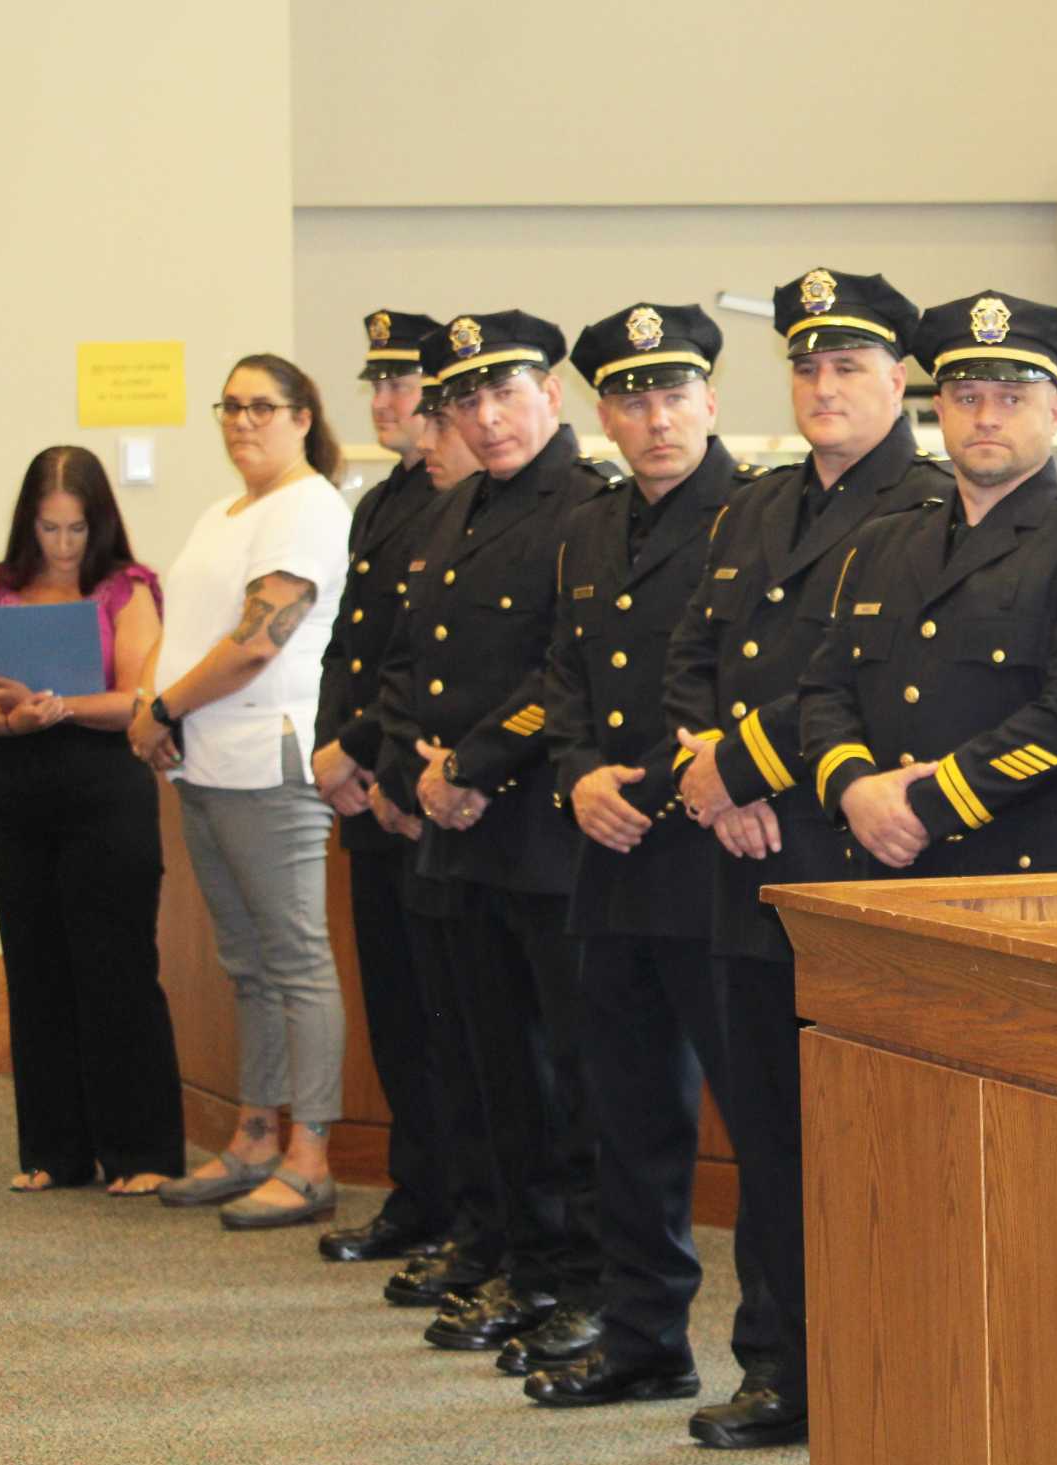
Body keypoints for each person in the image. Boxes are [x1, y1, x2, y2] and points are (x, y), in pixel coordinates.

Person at [667, 268, 949, 1450]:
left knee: (859, 1146)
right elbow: (689, 655)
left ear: (898, 381)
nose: (824, 387)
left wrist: (741, 770)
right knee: (767, 1137)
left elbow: (869, 687)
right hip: (741, 867)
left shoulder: (931, 506)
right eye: (807, 366)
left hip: (849, 868)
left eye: (848, 367)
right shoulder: (755, 506)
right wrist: (705, 771)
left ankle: (866, 1363)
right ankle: (775, 1364)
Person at [523, 302, 775, 1408]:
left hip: (714, 861)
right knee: (626, 1122)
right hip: (610, 861)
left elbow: (749, 688)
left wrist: (661, 789)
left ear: (711, 401)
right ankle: (641, 1339)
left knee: (756, 1130)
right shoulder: (589, 527)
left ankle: (772, 1359)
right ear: (601, 415)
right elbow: (562, 681)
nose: (655, 417)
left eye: (673, 393)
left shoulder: (758, 516)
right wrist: (575, 773)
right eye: (629, 397)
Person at [371, 310, 607, 1357]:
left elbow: (564, 667)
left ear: (551, 396)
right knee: (486, 1066)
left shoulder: (586, 508)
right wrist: (411, 770)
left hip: (536, 833)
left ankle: (570, 1274)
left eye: (505, 393)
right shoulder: (452, 508)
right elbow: (409, 661)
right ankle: (511, 1250)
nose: (486, 415)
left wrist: (468, 768)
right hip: (454, 829)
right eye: (466, 398)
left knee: (564, 1076)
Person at [801, 289, 1057, 880]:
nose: (987, 417)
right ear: (939, 410)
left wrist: (925, 806)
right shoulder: (880, 543)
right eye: (967, 397)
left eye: (1012, 398)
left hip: (1032, 877)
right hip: (888, 870)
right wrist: (853, 788)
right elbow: (825, 691)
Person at [133, 354, 352, 1229]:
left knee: (296, 964)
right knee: (248, 966)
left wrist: (162, 709)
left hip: (270, 759)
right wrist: (157, 710)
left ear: (303, 416)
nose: (242, 422)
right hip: (205, 763)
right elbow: (184, 626)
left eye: (262, 406)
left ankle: (311, 1158)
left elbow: (258, 642)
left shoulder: (308, 507)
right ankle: (256, 1137)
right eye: (229, 406)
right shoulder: (222, 512)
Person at [0, 446, 185, 1196]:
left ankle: (140, 1151)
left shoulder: (126, 589)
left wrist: (60, 707)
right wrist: (13, 719)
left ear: (99, 525)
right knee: (35, 966)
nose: (61, 545)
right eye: (49, 529)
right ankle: (55, 1150)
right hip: (16, 790)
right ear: (29, 525)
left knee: (114, 966)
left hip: (103, 785)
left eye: (76, 530)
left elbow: (136, 699)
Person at [310, 309, 455, 1264]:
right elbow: (348, 648)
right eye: (378, 385)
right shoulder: (380, 502)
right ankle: (419, 1192)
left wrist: (369, 753)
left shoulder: (455, 500)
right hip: (366, 792)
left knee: (450, 1023)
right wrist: (329, 746)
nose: (386, 401)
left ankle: (456, 1203)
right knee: (398, 1013)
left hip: (419, 792)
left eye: (404, 385)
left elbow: (420, 664)